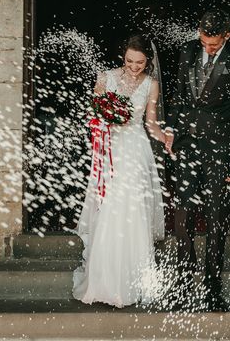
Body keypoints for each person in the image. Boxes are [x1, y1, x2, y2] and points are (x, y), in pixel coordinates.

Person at [165, 9, 230, 311]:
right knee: (182, 215)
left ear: (226, 36)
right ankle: (184, 283)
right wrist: (170, 130)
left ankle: (213, 286)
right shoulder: (187, 50)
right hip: (187, 145)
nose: (208, 49)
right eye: (204, 42)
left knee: (217, 218)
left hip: (221, 148)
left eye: (214, 45)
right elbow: (178, 94)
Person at [72, 34, 167, 307]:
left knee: (133, 212)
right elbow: (93, 117)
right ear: (122, 57)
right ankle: (104, 281)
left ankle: (134, 283)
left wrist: (166, 138)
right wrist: (103, 122)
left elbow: (150, 124)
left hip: (136, 150)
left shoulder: (151, 84)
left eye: (139, 62)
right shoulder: (105, 78)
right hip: (109, 149)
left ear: (147, 61)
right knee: (110, 210)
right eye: (129, 61)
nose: (134, 66)